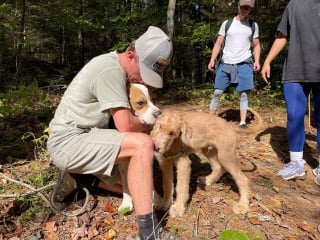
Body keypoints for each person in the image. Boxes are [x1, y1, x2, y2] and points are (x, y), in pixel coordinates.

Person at [47, 26, 187, 240]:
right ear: (130, 55)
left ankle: (81, 179)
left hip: (85, 137)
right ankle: (150, 234)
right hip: (70, 142)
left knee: (136, 184)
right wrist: (153, 126)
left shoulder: (116, 70)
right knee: (141, 145)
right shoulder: (110, 70)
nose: (144, 79)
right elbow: (126, 127)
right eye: (143, 71)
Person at [261, 0, 320, 184]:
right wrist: (267, 60)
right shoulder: (294, 4)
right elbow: (282, 36)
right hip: (296, 69)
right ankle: (296, 163)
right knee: (294, 116)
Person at [208, 0, 261, 128]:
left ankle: (243, 122)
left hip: (244, 63)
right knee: (217, 92)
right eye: (243, 7)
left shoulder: (253, 25)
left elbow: (257, 45)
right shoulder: (227, 24)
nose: (245, 10)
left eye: (248, 8)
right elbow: (218, 44)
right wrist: (212, 60)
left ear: (250, 9)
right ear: (238, 6)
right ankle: (209, 121)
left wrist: (257, 60)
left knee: (243, 94)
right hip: (226, 63)